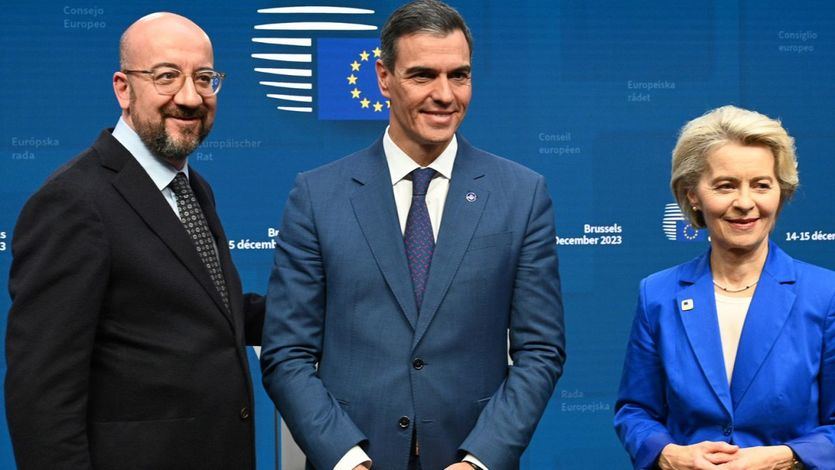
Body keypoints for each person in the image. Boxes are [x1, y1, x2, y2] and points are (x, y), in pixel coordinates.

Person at [259, 1, 566, 469]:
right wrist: (346, 459)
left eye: (458, 75)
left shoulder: (522, 195)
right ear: (383, 77)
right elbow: (287, 353)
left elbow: (540, 350)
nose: (445, 94)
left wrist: (480, 459)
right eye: (423, 75)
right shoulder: (317, 195)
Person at [5, 13, 264, 469]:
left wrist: (333, 300)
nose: (189, 97)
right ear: (123, 88)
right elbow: (41, 395)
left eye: (204, 78)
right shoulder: (72, 202)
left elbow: (205, 312)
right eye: (167, 77)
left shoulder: (192, 187)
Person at [614, 105, 835, 469]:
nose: (745, 203)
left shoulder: (825, 295)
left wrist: (785, 457)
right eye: (725, 185)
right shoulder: (658, 294)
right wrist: (670, 455)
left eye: (761, 185)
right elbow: (635, 410)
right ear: (692, 195)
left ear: (781, 193)